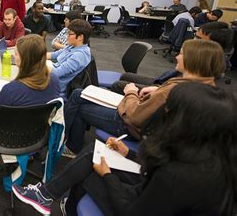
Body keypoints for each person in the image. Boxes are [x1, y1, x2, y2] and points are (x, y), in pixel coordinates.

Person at [13, 82, 236, 216]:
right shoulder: (214, 154)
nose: (165, 113)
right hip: (158, 199)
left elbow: (132, 212)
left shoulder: (179, 176)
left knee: (89, 171)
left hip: (141, 207)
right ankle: (50, 196)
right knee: (94, 153)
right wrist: (128, 153)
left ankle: (49, 196)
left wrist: (108, 176)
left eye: (172, 110)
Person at [63, 39, 225, 157]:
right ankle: (66, 138)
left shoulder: (174, 90)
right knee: (79, 94)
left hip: (129, 123)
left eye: (181, 53)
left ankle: (69, 144)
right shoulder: (204, 86)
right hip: (140, 117)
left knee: (80, 106)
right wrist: (156, 89)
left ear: (193, 59)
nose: (176, 56)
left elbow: (134, 117)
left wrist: (131, 92)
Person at [112, 21, 233, 93]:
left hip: (169, 89)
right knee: (125, 76)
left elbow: (182, 89)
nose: (194, 40)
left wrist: (157, 89)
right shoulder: (202, 54)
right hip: (167, 83)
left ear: (213, 44)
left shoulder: (211, 64)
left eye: (199, 39)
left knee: (119, 84)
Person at [48, 19, 92, 99]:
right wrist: (34, 55)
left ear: (80, 37)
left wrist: (36, 64)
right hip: (52, 81)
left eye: (69, 34)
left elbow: (57, 72)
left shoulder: (79, 55)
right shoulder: (72, 46)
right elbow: (54, 55)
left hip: (56, 90)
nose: (66, 36)